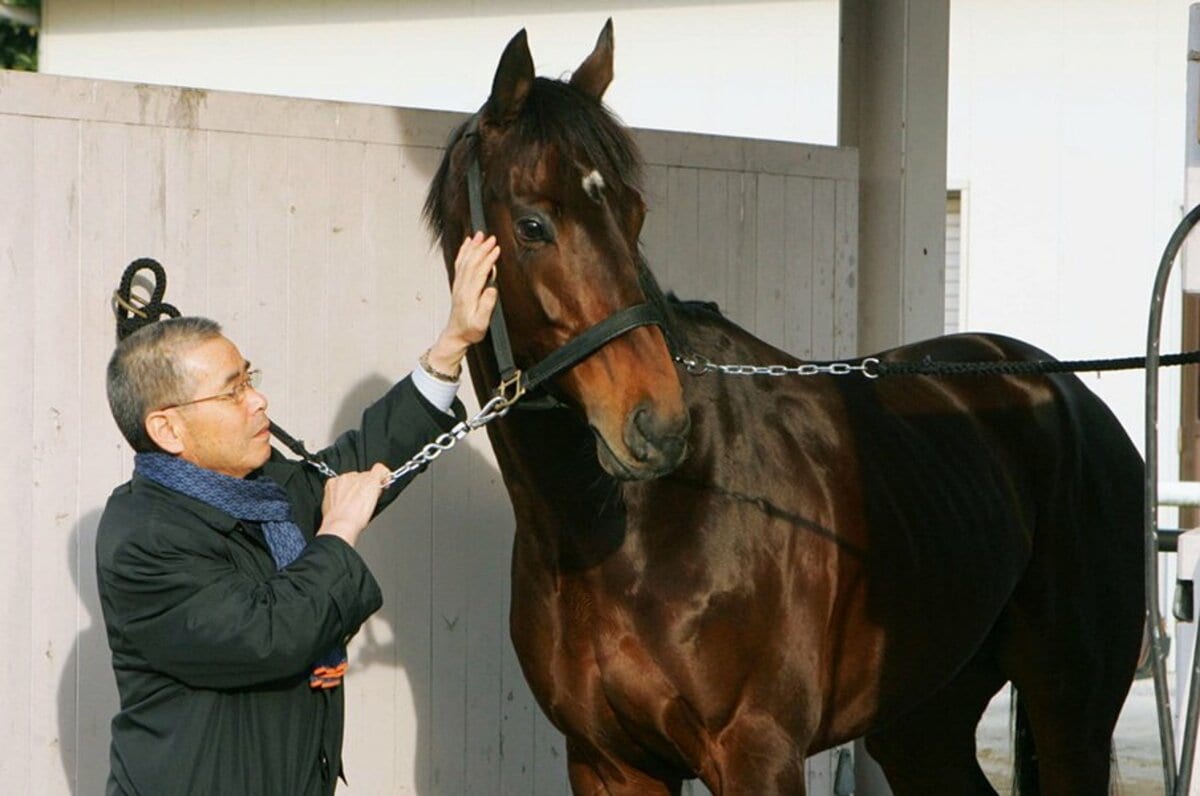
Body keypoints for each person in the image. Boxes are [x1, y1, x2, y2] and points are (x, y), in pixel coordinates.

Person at [96, 233, 500, 795]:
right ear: (168, 429)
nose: (258, 400)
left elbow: (356, 467)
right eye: (232, 392)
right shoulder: (143, 540)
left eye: (250, 379)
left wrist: (452, 345)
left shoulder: (261, 492)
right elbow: (270, 633)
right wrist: (337, 532)